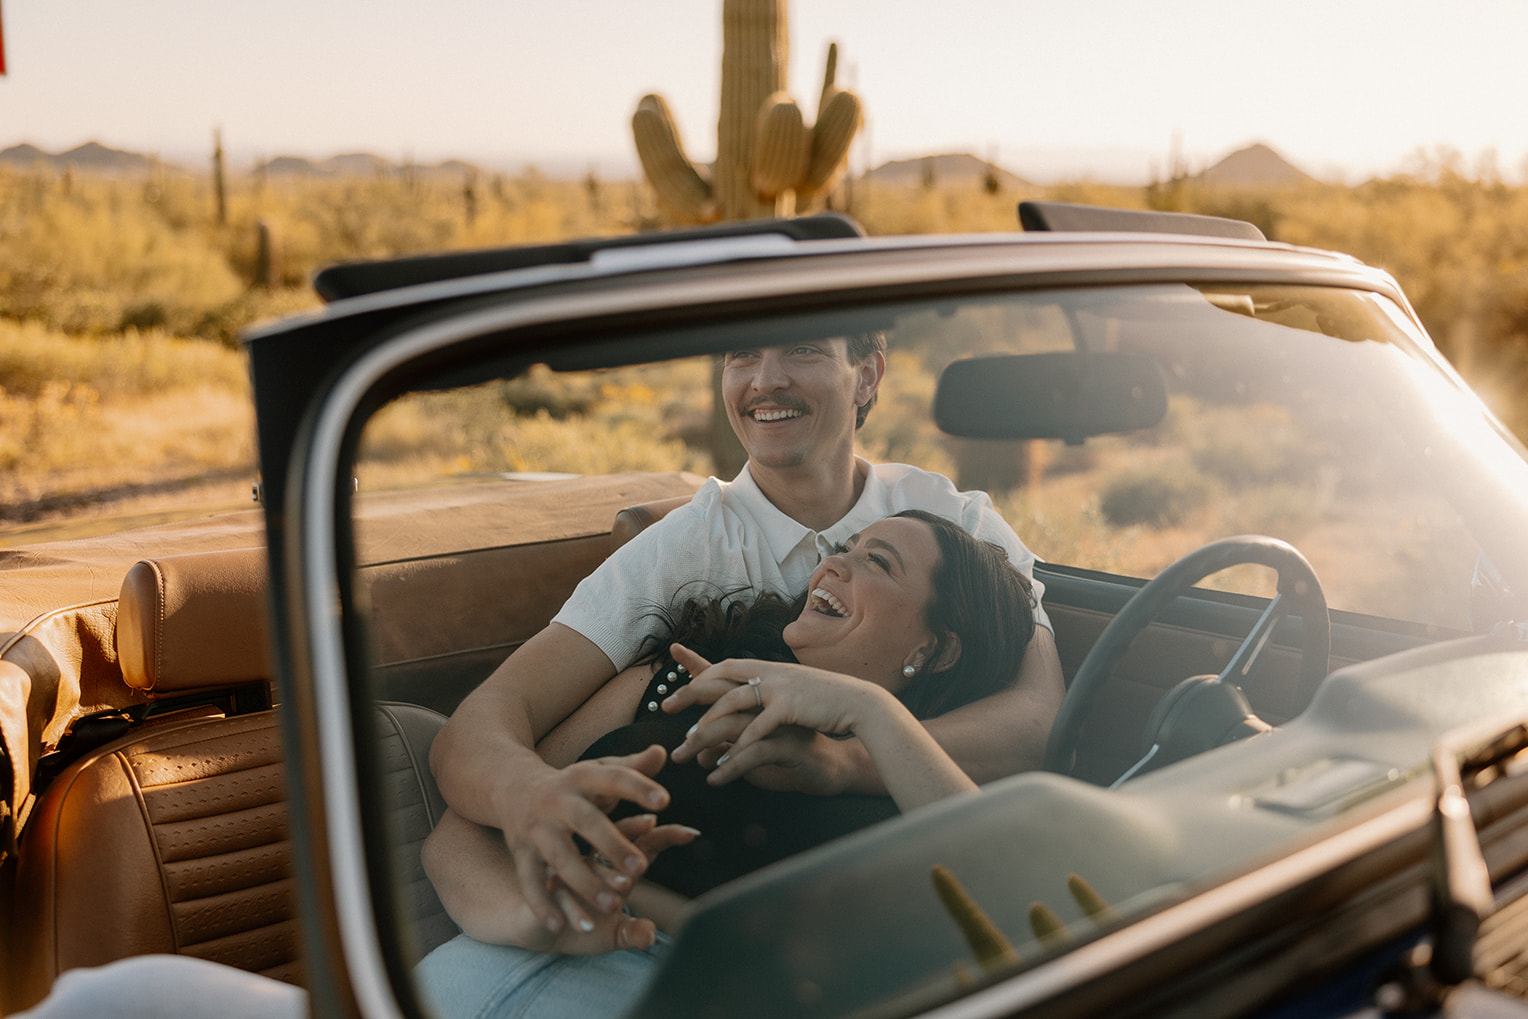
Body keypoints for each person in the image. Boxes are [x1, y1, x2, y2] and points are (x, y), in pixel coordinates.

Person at [427, 334, 1064, 940]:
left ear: (866, 375)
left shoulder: (961, 522)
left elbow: (1034, 722)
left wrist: (845, 754)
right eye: (742, 354)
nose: (766, 379)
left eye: (804, 349)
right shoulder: (677, 556)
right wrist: (529, 801)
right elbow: (488, 722)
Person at [415, 511, 1037, 1018]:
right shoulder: (676, 679)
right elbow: (462, 834)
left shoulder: (918, 773)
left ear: (934, 648)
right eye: (846, 546)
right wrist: (535, 915)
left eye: (877, 562)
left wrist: (869, 711)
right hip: (470, 971)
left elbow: (1014, 915)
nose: (835, 562)